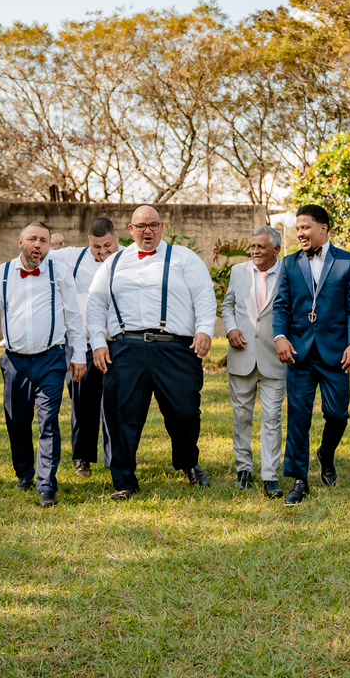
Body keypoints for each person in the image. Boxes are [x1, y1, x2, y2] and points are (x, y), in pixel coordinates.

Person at [88, 206, 217, 501]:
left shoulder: (185, 258)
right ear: (130, 230)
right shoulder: (114, 263)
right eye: (141, 226)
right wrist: (98, 343)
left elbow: (204, 297)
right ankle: (124, 480)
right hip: (126, 348)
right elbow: (95, 304)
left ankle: (188, 462)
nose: (148, 231)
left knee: (185, 412)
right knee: (122, 415)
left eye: (153, 225)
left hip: (175, 348)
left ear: (161, 227)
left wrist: (204, 330)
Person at [0, 221, 87, 508]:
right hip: (14, 361)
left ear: (49, 245)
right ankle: (25, 473)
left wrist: (79, 355)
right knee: (17, 421)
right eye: (32, 239)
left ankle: (46, 484)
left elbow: (73, 315)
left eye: (43, 241)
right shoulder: (2, 274)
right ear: (20, 242)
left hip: (51, 358)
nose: (38, 245)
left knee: (48, 421)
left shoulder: (58, 272)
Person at [272, 204, 350, 506]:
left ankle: (326, 454)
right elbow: (281, 305)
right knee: (298, 415)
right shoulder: (289, 263)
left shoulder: (349, 261)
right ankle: (299, 479)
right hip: (298, 352)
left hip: (336, 351)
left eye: (305, 227)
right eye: (297, 228)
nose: (300, 233)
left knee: (337, 414)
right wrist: (280, 337)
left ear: (323, 228)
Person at [47, 217, 122, 477]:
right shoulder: (72, 257)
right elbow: (36, 256)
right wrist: (50, 243)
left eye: (107, 246)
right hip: (83, 344)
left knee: (115, 403)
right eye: (96, 247)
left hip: (117, 343)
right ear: (88, 241)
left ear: (117, 238)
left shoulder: (128, 257)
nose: (102, 252)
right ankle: (82, 457)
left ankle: (115, 458)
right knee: (82, 404)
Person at [222, 225, 286, 498]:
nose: (255, 251)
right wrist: (231, 329)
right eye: (253, 246)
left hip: (276, 357)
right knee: (242, 416)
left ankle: (270, 475)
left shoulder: (289, 273)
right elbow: (227, 306)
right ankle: (243, 469)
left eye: (261, 246)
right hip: (242, 354)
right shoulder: (238, 271)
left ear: (276, 249)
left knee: (272, 417)